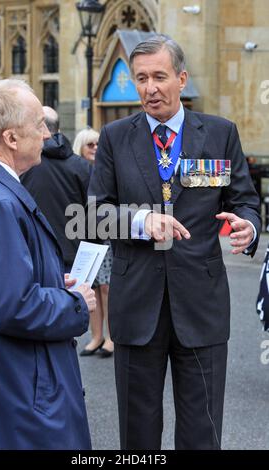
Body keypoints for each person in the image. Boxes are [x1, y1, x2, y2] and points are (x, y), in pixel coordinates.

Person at [88, 35, 261, 449]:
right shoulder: (114, 137)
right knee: (139, 434)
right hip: (136, 306)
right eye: (141, 78)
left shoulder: (220, 134)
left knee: (203, 432)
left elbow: (245, 201)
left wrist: (249, 227)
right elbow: (94, 214)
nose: (150, 88)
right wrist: (142, 221)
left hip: (201, 305)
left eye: (160, 77)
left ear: (181, 79)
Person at [0, 79, 96, 450]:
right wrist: (75, 302)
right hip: (19, 387)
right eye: (38, 124)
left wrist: (53, 282)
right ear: (10, 138)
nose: (46, 134)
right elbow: (14, 307)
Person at [21, 106, 91, 271]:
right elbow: (96, 215)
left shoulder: (22, 165)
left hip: (34, 258)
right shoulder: (82, 166)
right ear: (58, 129)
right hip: (74, 260)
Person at [74, 128, 114, 358]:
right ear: (80, 146)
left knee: (108, 288)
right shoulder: (75, 169)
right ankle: (96, 336)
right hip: (84, 234)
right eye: (90, 145)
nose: (95, 149)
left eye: (98, 144)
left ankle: (111, 336)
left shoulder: (105, 168)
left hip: (107, 233)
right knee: (91, 287)